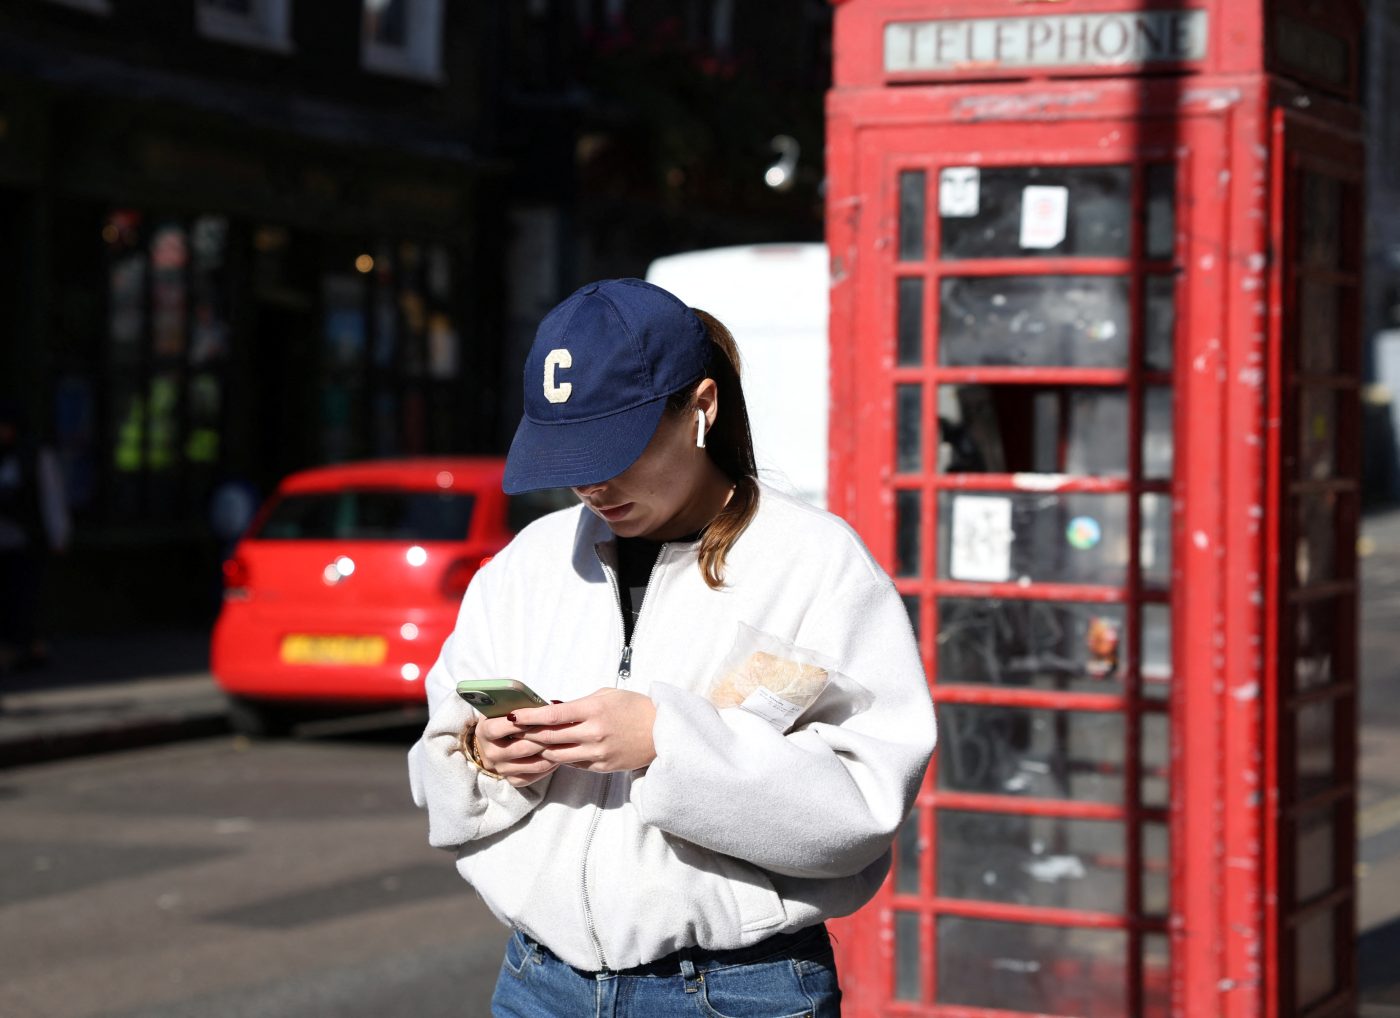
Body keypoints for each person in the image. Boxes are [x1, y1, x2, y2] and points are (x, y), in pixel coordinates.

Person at [408, 278, 936, 1016]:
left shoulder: (814, 564)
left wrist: (667, 742)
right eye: (568, 454)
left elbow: (863, 811)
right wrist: (487, 756)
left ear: (702, 408)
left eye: (616, 448)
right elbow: (441, 753)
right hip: (539, 983)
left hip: (734, 991)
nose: (592, 483)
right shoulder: (526, 565)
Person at [0, 399, 71, 675]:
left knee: (24, 598)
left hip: (27, 540)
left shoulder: (35, 454)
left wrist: (58, 535)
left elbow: (51, 496)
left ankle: (27, 648)